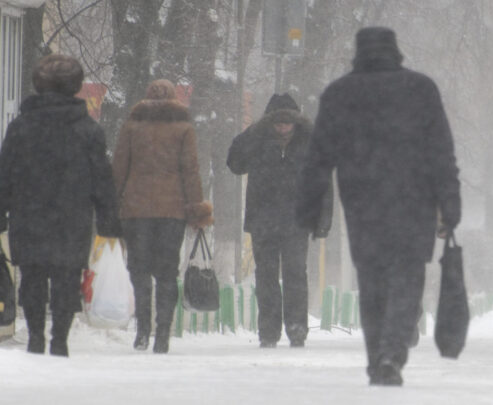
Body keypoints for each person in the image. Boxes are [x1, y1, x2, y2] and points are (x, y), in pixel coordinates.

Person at [296, 27, 461, 386]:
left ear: (358, 53)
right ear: (395, 51)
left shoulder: (339, 94)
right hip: (414, 203)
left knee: (371, 284)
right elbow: (441, 153)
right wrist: (449, 205)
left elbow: (318, 158)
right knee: (407, 280)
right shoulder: (421, 89)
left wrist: (308, 208)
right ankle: (391, 354)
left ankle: (378, 358)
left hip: (362, 204)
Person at [0, 54, 122, 356]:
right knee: (68, 276)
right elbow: (101, 178)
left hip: (29, 215)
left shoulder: (20, 128)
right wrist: (109, 219)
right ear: (76, 86)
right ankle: (59, 340)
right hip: (72, 216)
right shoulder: (88, 130)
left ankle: (36, 338)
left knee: (32, 276)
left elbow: (5, 175)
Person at [112, 79, 213, 353]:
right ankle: (163, 335)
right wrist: (196, 209)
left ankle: (143, 330)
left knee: (140, 270)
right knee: (167, 274)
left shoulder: (132, 127)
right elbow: (190, 171)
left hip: (136, 210)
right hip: (172, 211)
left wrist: (112, 203)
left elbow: (119, 167)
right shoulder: (183, 129)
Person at [227, 93, 332, 349]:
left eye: (288, 122)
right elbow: (235, 163)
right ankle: (269, 331)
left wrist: (322, 220)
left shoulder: (310, 143)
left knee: (296, 275)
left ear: (296, 123)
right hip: (264, 222)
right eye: (277, 122)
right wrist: (253, 131)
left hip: (298, 221)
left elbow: (324, 183)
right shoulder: (257, 141)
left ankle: (297, 329)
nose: (283, 127)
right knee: (266, 277)